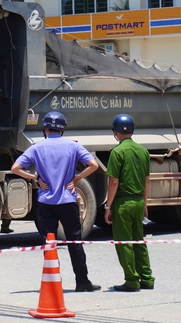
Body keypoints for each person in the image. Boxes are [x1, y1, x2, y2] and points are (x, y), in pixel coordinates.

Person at [11, 111, 100, 292]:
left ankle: (53, 283)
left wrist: (35, 177)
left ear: (45, 129)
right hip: (68, 201)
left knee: (50, 244)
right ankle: (82, 282)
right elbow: (94, 165)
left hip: (46, 203)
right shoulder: (73, 147)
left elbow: (15, 168)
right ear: (63, 129)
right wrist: (76, 179)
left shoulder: (37, 148)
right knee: (74, 242)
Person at [104, 114, 155, 292]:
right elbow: (147, 180)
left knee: (124, 243)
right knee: (139, 241)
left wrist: (108, 206)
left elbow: (114, 182)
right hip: (139, 201)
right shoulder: (143, 151)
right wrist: (145, 203)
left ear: (116, 133)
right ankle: (147, 278)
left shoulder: (117, 152)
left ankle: (132, 280)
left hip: (123, 204)